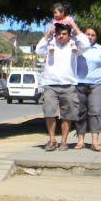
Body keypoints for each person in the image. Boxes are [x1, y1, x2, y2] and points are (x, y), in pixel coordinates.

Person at [36, 18, 90, 151]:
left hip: (68, 85)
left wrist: (75, 27)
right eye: (58, 33)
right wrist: (48, 34)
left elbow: (86, 44)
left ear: (69, 34)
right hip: (50, 85)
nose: (61, 36)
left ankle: (64, 141)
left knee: (68, 115)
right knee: (49, 112)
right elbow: (38, 50)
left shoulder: (74, 45)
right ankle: (52, 139)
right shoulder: (50, 44)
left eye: (64, 33)